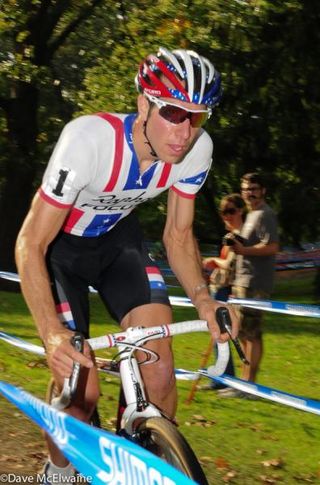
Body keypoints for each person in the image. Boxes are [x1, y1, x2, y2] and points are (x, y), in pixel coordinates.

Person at [15, 46, 239, 480]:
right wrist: (51, 334)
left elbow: (177, 234)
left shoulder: (197, 151)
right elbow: (30, 241)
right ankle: (58, 473)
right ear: (144, 104)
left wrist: (204, 301)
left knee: (158, 368)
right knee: (80, 389)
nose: (185, 131)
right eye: (174, 112)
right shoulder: (87, 141)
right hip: (59, 249)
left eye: (198, 117)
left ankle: (141, 454)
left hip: (118, 243)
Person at [218, 172, 279, 398]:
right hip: (243, 282)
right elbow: (249, 244)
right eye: (245, 189)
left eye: (253, 188)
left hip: (256, 283)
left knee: (252, 335)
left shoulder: (265, 214)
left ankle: (250, 386)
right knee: (244, 333)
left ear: (262, 191)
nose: (249, 193)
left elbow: (272, 246)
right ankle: (243, 383)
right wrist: (235, 242)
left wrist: (244, 250)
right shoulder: (252, 214)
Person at [201, 193, 246, 390]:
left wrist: (213, 261)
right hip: (219, 289)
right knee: (219, 336)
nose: (226, 216)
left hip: (228, 291)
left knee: (226, 336)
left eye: (231, 211)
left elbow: (230, 265)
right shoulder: (230, 236)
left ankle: (229, 380)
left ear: (240, 211)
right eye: (223, 212)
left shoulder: (239, 236)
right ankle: (221, 378)